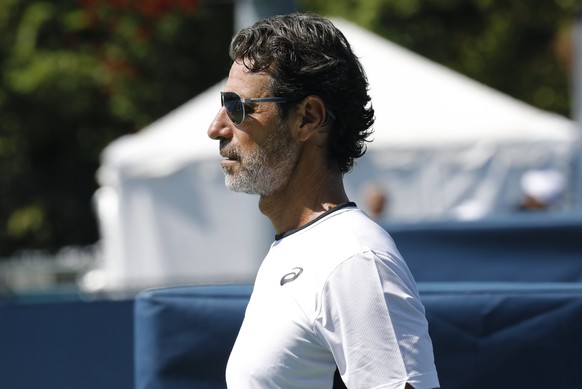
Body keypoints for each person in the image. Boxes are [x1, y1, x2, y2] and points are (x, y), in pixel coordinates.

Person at [207, 13, 440, 389]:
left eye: (238, 107)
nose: (216, 128)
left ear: (308, 117)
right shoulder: (300, 247)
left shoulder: (355, 260)